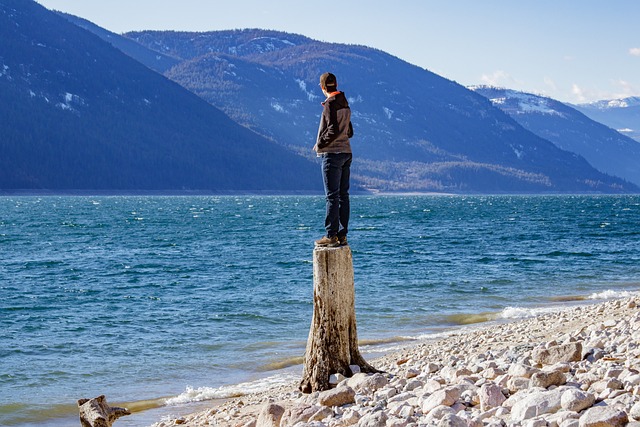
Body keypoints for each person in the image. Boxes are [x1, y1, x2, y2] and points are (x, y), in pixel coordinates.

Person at [313, 72, 354, 248]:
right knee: (343, 196)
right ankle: (342, 235)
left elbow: (333, 130)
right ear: (335, 85)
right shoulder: (345, 103)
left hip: (332, 154)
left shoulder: (330, 104)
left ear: (323, 87)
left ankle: (331, 235)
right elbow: (349, 132)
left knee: (332, 197)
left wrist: (319, 143)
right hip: (346, 153)